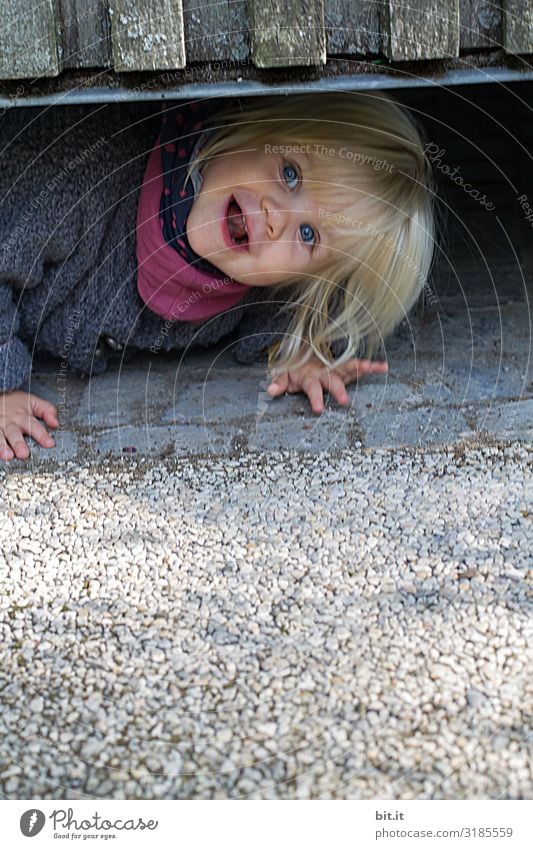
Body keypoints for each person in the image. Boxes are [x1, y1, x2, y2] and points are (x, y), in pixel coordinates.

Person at [0, 92, 434, 461]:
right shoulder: (75, 183)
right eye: (290, 174)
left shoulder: (248, 277)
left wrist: (307, 351)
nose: (275, 217)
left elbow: (296, 307)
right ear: (253, 124)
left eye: (308, 234)